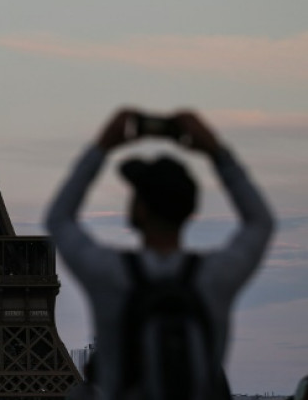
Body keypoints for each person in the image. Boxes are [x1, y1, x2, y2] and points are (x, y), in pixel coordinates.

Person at [46, 109, 274, 399]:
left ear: (138, 209)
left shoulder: (110, 273)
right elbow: (260, 223)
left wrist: (102, 146)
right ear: (192, 210)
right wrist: (216, 151)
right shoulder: (215, 276)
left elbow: (59, 219)